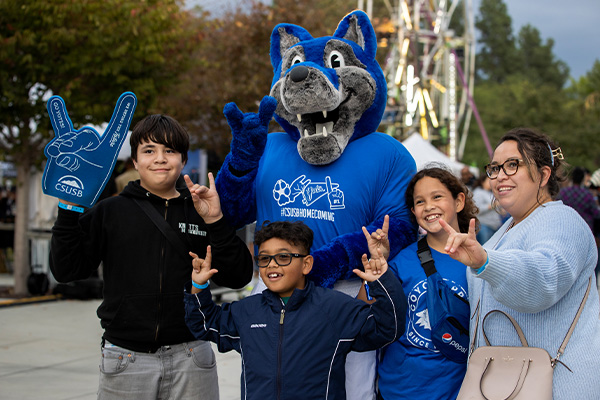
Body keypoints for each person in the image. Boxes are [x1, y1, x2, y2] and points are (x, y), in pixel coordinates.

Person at [49, 114, 254, 400]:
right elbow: (67, 269)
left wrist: (217, 221)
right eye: (149, 151)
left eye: (169, 150)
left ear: (183, 160)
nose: (160, 158)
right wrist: (68, 212)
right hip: (125, 358)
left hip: (192, 355)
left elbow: (239, 276)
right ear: (135, 162)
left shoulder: (201, 208)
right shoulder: (110, 211)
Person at [440, 127, 600, 399]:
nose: (500, 176)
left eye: (513, 165)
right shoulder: (507, 230)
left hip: (554, 386)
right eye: (495, 168)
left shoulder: (562, 220)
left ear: (543, 174)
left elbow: (543, 278)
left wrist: (486, 262)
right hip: (503, 384)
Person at [183, 220, 407, 400]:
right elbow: (204, 324)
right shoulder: (246, 311)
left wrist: (382, 280)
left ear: (307, 264)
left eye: (283, 257)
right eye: (264, 258)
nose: (272, 264)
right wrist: (199, 285)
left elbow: (388, 327)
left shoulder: (335, 308)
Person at [373, 167, 478, 400]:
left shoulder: (479, 260)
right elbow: (368, 313)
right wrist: (378, 266)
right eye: (420, 201)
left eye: (437, 196)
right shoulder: (403, 260)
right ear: (413, 211)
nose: (429, 206)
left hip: (456, 392)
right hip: (398, 391)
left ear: (459, 201)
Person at [557, 166, 599, 232]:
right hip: (585, 230)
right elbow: (596, 214)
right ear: (582, 179)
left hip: (566, 228)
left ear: (572, 178)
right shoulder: (587, 194)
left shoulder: (563, 193)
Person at [471, 174, 502, 244]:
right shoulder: (478, 192)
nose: (491, 183)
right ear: (482, 182)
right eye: (489, 181)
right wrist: (491, 206)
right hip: (484, 226)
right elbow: (476, 209)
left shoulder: (491, 193)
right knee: (485, 249)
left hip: (494, 226)